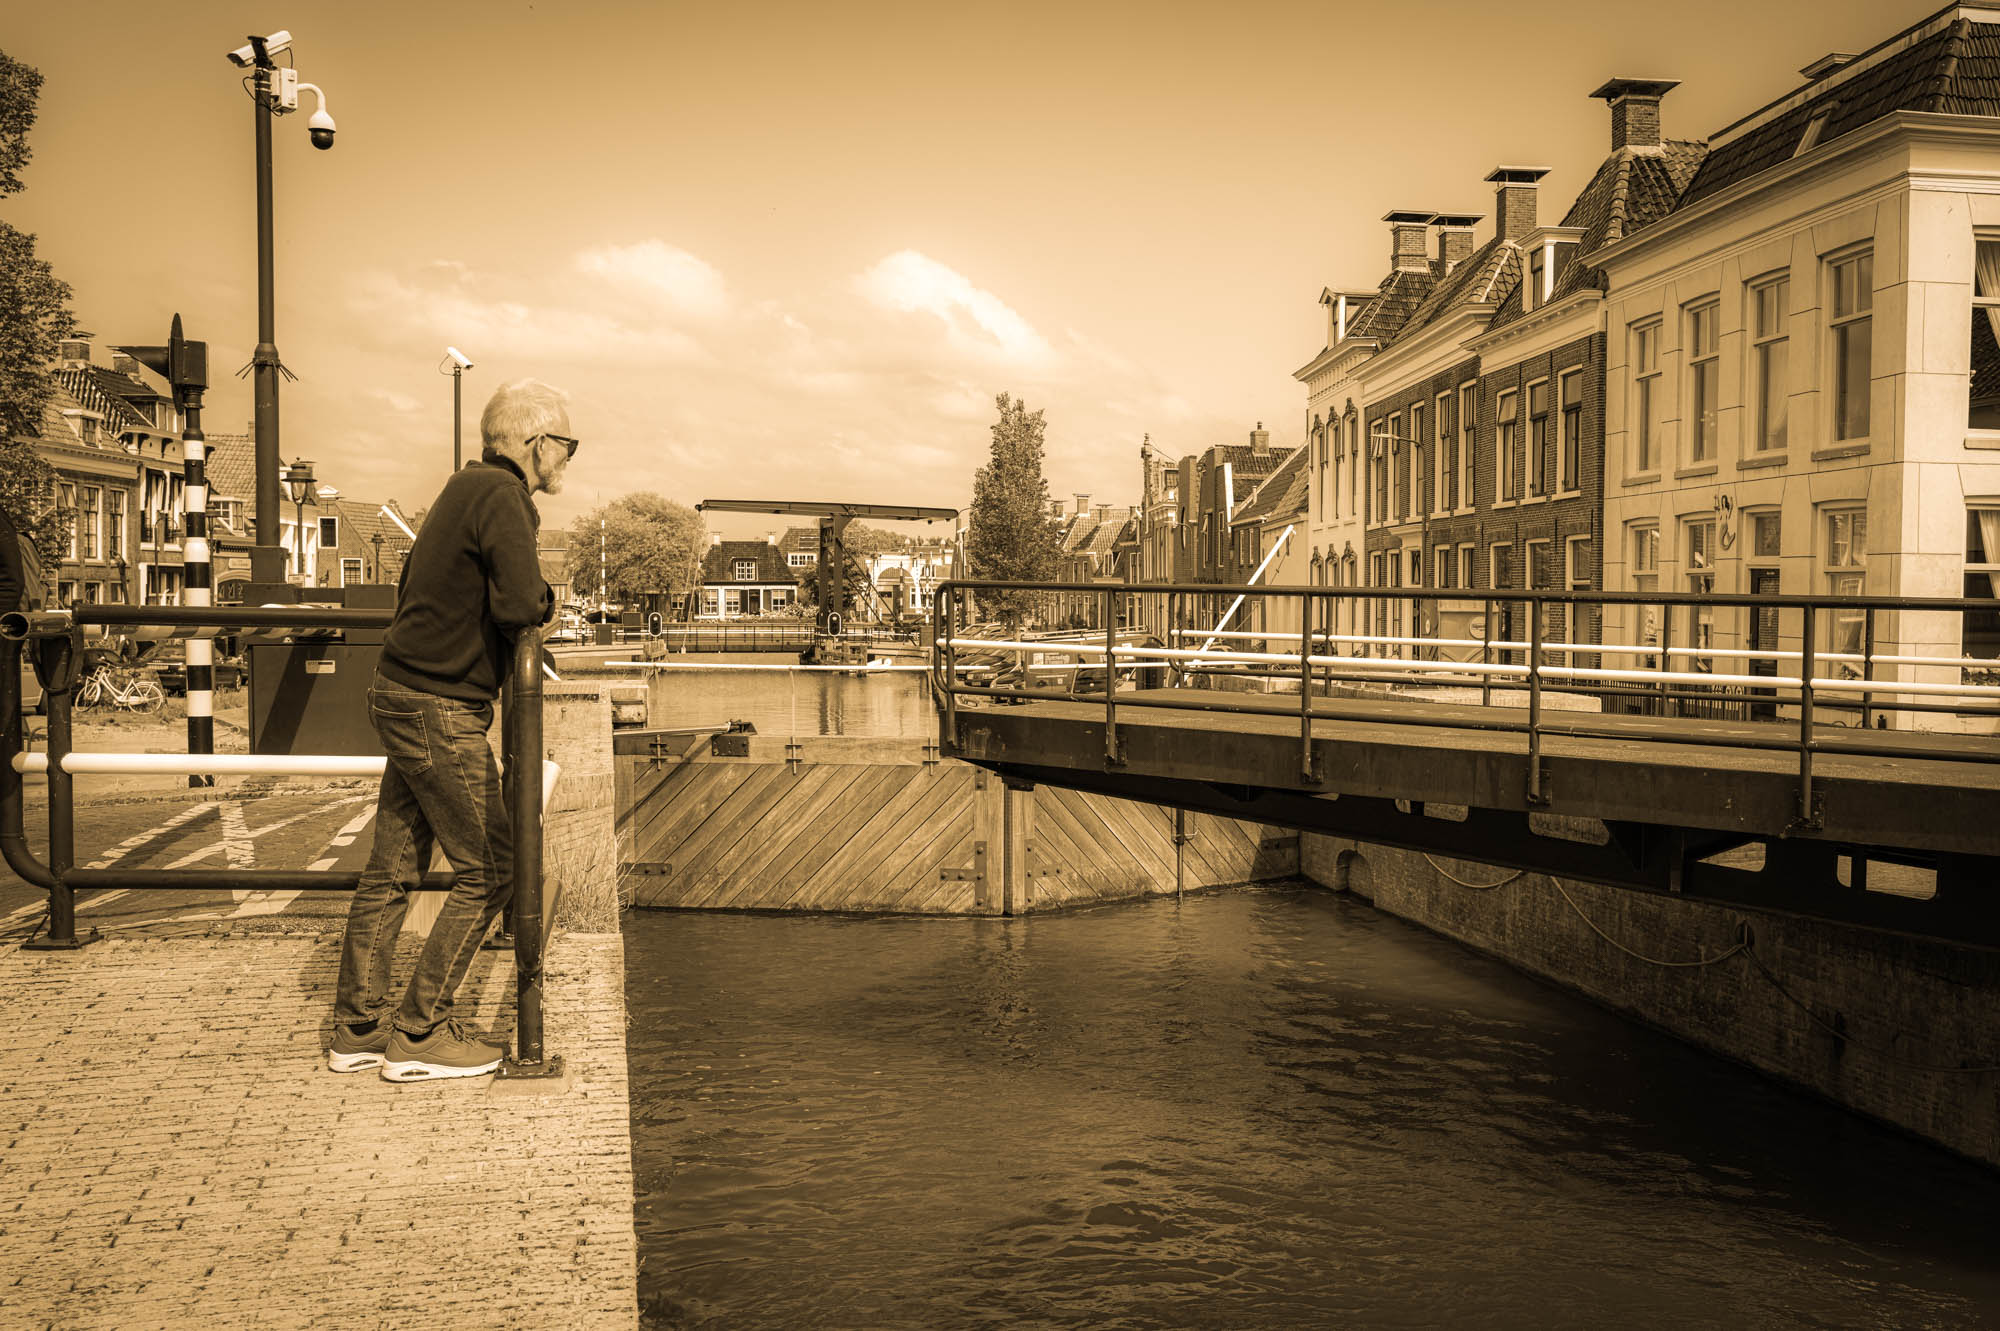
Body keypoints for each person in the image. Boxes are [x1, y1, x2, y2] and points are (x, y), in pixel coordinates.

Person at [327, 379, 575, 1081]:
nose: (569, 459)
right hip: (439, 705)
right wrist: (548, 600)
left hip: (401, 687)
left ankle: (359, 1025)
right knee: (492, 866)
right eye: (567, 445)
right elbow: (522, 601)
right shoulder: (504, 499)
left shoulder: (460, 488)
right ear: (536, 444)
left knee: (396, 865)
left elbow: (417, 587)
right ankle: (421, 1031)